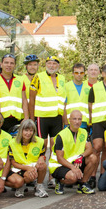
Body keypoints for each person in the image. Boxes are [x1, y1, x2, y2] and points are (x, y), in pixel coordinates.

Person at [28, 55, 66, 188]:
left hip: (57, 117)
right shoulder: (38, 77)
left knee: (56, 147)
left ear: (58, 66)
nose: (52, 66)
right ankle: (36, 176)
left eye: (54, 64)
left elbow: (63, 100)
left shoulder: (62, 79)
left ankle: (52, 176)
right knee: (41, 147)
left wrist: (64, 119)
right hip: (42, 117)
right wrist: (31, 119)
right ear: (46, 65)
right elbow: (31, 99)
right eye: (49, 63)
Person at [49, 110, 98, 195]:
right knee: (73, 178)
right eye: (74, 119)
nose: (77, 121)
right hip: (59, 165)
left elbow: (89, 149)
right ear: (69, 120)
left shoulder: (84, 132)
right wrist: (73, 168)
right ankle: (60, 181)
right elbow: (59, 158)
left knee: (93, 158)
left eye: (79, 119)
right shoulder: (61, 135)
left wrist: (81, 156)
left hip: (75, 161)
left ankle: (82, 184)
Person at [8, 119, 48, 198]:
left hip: (33, 166)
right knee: (29, 176)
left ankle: (39, 186)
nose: (28, 133)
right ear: (21, 131)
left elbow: (42, 155)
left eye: (31, 130)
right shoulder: (12, 143)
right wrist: (28, 168)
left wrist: (41, 158)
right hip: (19, 168)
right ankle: (21, 186)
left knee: (43, 165)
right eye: (26, 130)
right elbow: (13, 163)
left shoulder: (40, 141)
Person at [0, 53, 28, 132]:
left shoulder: (20, 80)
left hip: (17, 119)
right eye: (6, 62)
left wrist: (26, 117)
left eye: (11, 63)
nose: (9, 65)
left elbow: (24, 100)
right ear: (1, 64)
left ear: (14, 65)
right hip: (0, 120)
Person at [63, 63, 91, 130]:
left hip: (84, 122)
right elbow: (63, 106)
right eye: (76, 73)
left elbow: (90, 107)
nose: (79, 75)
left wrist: (90, 121)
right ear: (73, 73)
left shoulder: (88, 88)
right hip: (70, 122)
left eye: (81, 73)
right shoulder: (66, 87)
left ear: (84, 74)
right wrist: (65, 122)